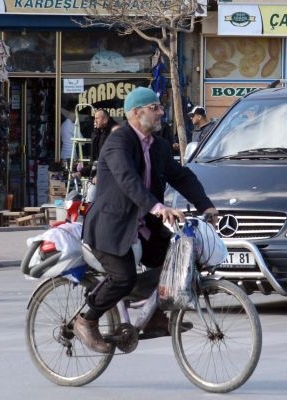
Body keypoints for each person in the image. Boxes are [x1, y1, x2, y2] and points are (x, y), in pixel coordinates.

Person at [76, 87, 219, 353]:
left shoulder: (160, 146)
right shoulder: (119, 142)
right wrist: (157, 207)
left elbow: (182, 177)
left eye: (160, 107)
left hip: (144, 227)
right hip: (111, 226)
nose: (161, 113)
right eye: (154, 108)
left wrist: (206, 206)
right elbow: (127, 180)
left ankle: (153, 314)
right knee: (123, 278)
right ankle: (87, 320)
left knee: (176, 259)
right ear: (135, 113)